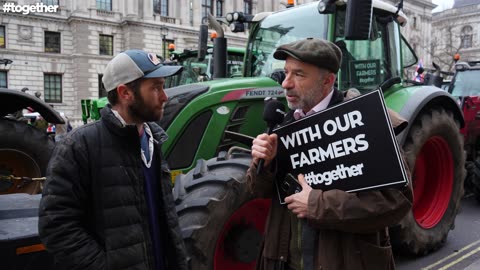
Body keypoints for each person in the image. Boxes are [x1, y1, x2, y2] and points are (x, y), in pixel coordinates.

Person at [247, 38, 413, 270]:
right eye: (285, 73)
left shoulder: (366, 122)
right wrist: (265, 164)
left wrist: (317, 204)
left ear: (328, 80)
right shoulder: (284, 124)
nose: (286, 83)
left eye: (299, 74)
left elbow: (398, 200)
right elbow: (257, 191)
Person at [38, 49, 188, 270]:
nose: (165, 96)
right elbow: (56, 225)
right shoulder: (79, 145)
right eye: (156, 87)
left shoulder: (153, 140)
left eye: (163, 86)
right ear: (125, 93)